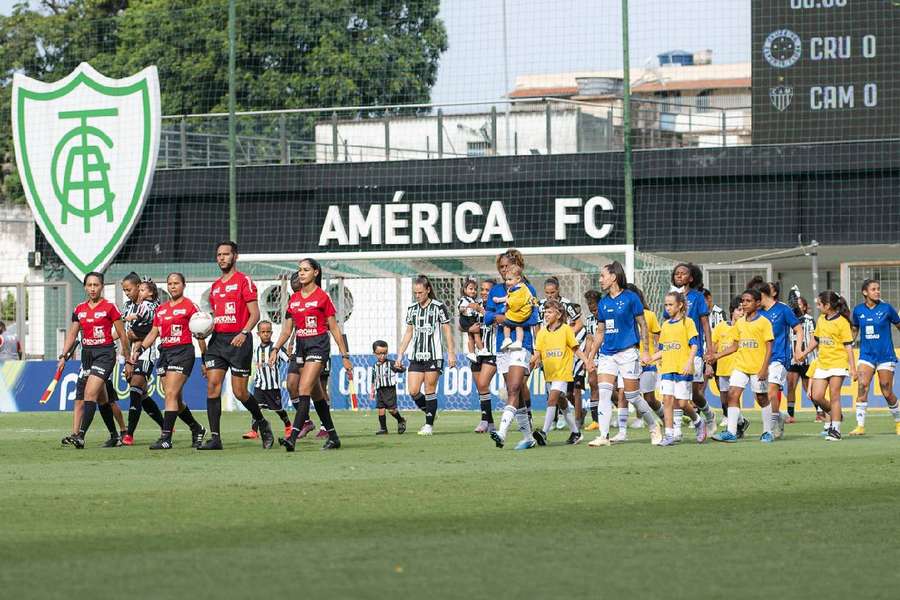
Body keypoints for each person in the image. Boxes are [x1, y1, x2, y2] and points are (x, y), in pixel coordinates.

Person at [198, 241, 274, 450]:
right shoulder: (214, 288)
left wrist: (244, 332)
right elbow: (215, 319)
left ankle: (262, 423)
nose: (222, 258)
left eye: (226, 254)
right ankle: (215, 439)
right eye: (219, 255)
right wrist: (202, 330)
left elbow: (255, 314)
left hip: (239, 340)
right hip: (218, 341)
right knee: (213, 386)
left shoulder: (244, 281)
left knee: (240, 392)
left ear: (235, 257)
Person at [272, 258, 353, 451]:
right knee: (317, 395)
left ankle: (292, 437)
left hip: (318, 346)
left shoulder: (322, 297)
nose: (301, 273)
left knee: (304, 388)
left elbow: (334, 328)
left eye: (306, 270)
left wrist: (345, 356)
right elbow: (286, 330)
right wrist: (275, 349)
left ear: (315, 273)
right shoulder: (294, 300)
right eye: (299, 270)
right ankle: (333, 436)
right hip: (301, 346)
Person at [585, 261, 661, 447]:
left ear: (613, 277)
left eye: (603, 276)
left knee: (632, 396)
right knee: (603, 392)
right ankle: (604, 436)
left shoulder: (631, 298)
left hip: (628, 352)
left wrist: (644, 351)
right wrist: (590, 357)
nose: (600, 279)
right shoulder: (603, 303)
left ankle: (654, 426)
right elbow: (600, 332)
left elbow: (643, 324)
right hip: (607, 354)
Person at [132, 272, 207, 449]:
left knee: (171, 394)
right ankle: (197, 428)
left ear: (183, 285)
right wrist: (140, 349)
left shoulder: (190, 307)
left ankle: (166, 438)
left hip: (183, 352)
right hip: (165, 353)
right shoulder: (161, 309)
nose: (173, 286)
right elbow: (153, 332)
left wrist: (204, 359)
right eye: (170, 283)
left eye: (176, 283)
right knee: (175, 399)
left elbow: (200, 333)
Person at [58, 272, 130, 449]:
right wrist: (63, 355)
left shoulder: (110, 307)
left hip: (105, 355)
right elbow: (73, 334)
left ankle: (80, 436)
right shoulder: (80, 309)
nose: (92, 288)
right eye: (89, 285)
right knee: (102, 399)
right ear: (85, 287)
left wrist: (127, 359)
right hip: (87, 356)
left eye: (95, 285)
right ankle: (115, 436)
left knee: (90, 394)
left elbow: (122, 334)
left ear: (102, 286)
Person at [485, 249, 539, 450]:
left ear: (516, 266)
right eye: (500, 267)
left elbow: (534, 318)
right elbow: (487, 317)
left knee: (514, 388)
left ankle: (502, 431)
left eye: (506, 266)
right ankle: (528, 437)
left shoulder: (528, 289)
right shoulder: (496, 290)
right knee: (513, 391)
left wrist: (506, 318)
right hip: (502, 346)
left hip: (521, 344)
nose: (503, 270)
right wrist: (501, 318)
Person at [395, 275, 456, 436]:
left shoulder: (438, 307)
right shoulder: (412, 309)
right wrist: (400, 355)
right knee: (413, 390)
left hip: (433, 355)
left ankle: (428, 425)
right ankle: (431, 413)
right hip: (416, 356)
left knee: (430, 389)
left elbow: (447, 330)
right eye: (415, 293)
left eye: (420, 292)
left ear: (428, 290)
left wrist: (451, 352)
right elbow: (408, 333)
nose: (418, 295)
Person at [711, 288, 774, 443]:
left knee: (761, 398)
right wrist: (717, 356)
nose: (744, 304)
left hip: (758, 368)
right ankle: (731, 432)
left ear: (758, 303)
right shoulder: (739, 323)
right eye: (743, 301)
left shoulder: (764, 323)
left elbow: (769, 347)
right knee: (732, 394)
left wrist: (764, 368)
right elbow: (735, 346)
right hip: (740, 366)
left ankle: (768, 432)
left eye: (748, 301)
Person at [796, 291, 856, 441]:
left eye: (819, 304)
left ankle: (835, 429)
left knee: (834, 395)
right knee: (816, 396)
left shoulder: (842, 322)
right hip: (822, 364)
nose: (817, 306)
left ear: (828, 305)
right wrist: (804, 352)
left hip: (838, 363)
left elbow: (848, 347)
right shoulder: (821, 319)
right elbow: (816, 340)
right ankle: (837, 414)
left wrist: (853, 368)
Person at [531, 299, 588, 446]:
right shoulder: (542, 333)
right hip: (549, 373)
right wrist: (530, 363)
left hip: (562, 373)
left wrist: (587, 361)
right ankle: (576, 433)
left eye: (550, 312)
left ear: (558, 314)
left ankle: (544, 432)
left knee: (552, 399)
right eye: (545, 312)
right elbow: (537, 353)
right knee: (562, 402)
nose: (546, 315)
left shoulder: (566, 330)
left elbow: (575, 349)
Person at [651, 291, 706, 446]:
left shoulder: (687, 323)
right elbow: (664, 349)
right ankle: (669, 435)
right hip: (667, 368)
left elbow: (694, 345)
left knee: (682, 403)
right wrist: (651, 358)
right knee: (667, 400)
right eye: (666, 305)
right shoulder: (666, 325)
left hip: (682, 368)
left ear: (680, 305)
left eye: (670, 304)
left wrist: (689, 363)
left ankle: (698, 421)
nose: (667, 308)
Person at [612, 283, 664, 442]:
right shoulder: (620, 316)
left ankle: (665, 418)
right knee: (622, 394)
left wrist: (657, 355)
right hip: (627, 360)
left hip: (646, 361)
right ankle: (622, 432)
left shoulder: (648, 315)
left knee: (649, 398)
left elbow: (659, 339)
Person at [751, 278, 802, 439]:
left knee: (772, 390)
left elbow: (798, 329)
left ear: (763, 295)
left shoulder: (783, 309)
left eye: (755, 298)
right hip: (761, 359)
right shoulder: (756, 313)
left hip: (780, 358)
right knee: (761, 397)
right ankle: (778, 416)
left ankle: (770, 429)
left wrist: (798, 350)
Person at [668, 263, 716, 432]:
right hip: (675, 352)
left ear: (691, 278)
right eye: (676, 273)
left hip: (693, 351)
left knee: (695, 394)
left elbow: (705, 325)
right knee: (677, 392)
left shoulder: (697, 297)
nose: (679, 276)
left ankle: (709, 415)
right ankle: (677, 430)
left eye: (683, 273)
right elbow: (666, 323)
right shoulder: (671, 298)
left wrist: (710, 351)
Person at [850, 279, 900, 436]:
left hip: (886, 356)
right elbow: (854, 330)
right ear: (865, 292)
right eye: (873, 289)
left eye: (878, 289)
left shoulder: (887, 309)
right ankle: (860, 426)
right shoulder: (858, 311)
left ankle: (898, 422)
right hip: (866, 356)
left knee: (886, 390)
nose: (877, 291)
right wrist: (847, 346)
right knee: (862, 386)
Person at [120, 273, 164, 446]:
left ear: (139, 287)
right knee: (141, 394)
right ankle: (165, 425)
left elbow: (147, 331)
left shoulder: (152, 306)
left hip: (146, 353)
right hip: (130, 354)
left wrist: (131, 334)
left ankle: (129, 434)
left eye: (129, 289)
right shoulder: (127, 306)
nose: (127, 293)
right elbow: (124, 332)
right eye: (124, 290)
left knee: (136, 388)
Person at [243, 320, 292, 440]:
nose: (265, 334)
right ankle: (254, 431)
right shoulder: (256, 350)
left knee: (278, 409)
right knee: (256, 407)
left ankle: (288, 425)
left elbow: (288, 360)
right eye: (263, 332)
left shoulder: (276, 348)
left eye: (268, 332)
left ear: (271, 333)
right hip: (259, 385)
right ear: (258, 334)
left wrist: (290, 354)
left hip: (272, 386)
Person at [709, 296, 742, 429]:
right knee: (724, 395)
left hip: (737, 367)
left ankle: (737, 423)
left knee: (733, 395)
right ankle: (729, 416)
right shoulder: (721, 327)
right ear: (732, 311)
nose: (741, 313)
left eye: (742, 310)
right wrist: (709, 363)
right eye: (739, 310)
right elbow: (714, 346)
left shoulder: (743, 327)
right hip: (722, 367)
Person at [472, 279, 498, 434]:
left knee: (482, 384)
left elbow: (497, 321)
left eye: (487, 290)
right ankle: (490, 422)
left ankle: (484, 421)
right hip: (477, 352)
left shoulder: (498, 306)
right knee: (481, 388)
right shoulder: (475, 305)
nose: (483, 292)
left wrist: (481, 311)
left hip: (492, 351)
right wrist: (468, 327)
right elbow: (462, 324)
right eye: (482, 289)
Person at [787, 295, 817, 423]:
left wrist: (805, 352)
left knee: (808, 387)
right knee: (790, 385)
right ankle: (791, 415)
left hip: (807, 358)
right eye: (795, 304)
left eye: (799, 304)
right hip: (793, 359)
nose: (797, 306)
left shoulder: (809, 320)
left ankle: (819, 411)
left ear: (804, 307)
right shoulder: (790, 320)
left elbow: (813, 338)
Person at [494, 265, 537, 351]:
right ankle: (518, 341)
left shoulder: (521, 289)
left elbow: (516, 303)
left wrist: (507, 304)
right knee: (518, 326)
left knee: (505, 322)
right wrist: (500, 300)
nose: (507, 282)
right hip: (522, 314)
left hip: (521, 313)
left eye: (510, 280)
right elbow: (509, 297)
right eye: (506, 280)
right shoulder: (516, 288)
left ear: (518, 279)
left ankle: (507, 339)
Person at [370, 340, 407, 434]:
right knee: (381, 409)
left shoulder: (391, 363)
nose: (382, 356)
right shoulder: (375, 366)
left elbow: (402, 369)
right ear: (374, 353)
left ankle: (400, 420)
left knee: (391, 410)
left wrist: (400, 367)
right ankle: (383, 429)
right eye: (379, 353)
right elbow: (374, 377)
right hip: (379, 389)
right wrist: (372, 389)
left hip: (389, 389)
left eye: (384, 353)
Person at [582, 290, 601, 430]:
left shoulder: (607, 316)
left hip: (608, 356)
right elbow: (589, 340)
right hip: (595, 358)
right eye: (589, 304)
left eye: (593, 304)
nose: (591, 306)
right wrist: (587, 359)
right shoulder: (589, 320)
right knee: (593, 383)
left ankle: (621, 412)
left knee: (613, 388)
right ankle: (596, 421)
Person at [457, 277, 485, 363]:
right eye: (471, 289)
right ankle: (481, 350)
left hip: (469, 319)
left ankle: (472, 353)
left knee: (471, 337)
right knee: (475, 334)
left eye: (475, 289)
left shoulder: (475, 300)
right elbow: (461, 307)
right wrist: (463, 309)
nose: (473, 291)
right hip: (467, 319)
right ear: (465, 290)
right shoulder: (465, 299)